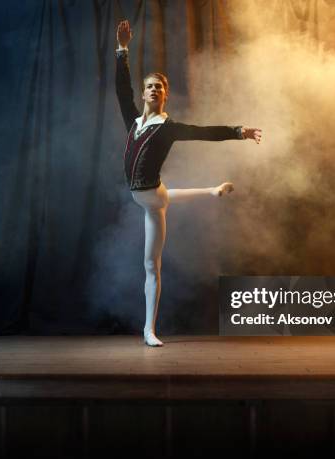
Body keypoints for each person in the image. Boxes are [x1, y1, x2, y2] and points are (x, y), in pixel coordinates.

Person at [115, 20, 262, 346]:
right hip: (151, 196)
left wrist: (239, 131)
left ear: (165, 95)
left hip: (151, 197)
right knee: (163, 197)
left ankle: (148, 330)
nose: (153, 90)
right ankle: (212, 190)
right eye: (149, 86)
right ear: (144, 93)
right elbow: (121, 89)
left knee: (151, 265)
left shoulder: (169, 129)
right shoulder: (133, 121)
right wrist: (122, 50)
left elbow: (204, 132)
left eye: (159, 87)